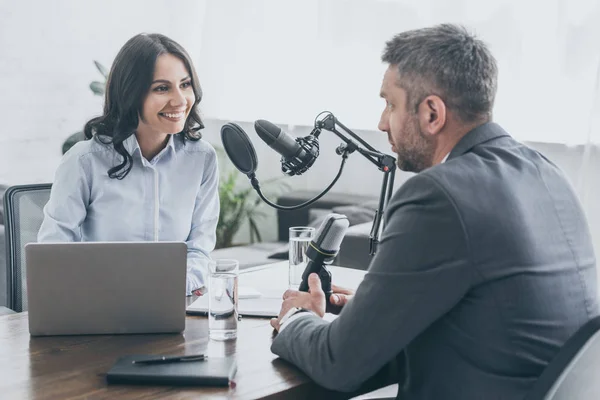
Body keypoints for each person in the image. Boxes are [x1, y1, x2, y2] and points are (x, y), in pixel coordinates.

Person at [269, 24, 599, 399]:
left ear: (431, 113)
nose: (381, 122)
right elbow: (496, 322)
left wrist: (296, 318)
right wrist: (369, 314)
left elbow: (337, 363)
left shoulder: (438, 194)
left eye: (390, 104)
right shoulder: (546, 172)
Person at [37, 33, 219, 297]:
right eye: (162, 88)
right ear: (131, 93)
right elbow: (53, 254)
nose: (180, 100)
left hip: (173, 308)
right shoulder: (84, 161)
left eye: (185, 84)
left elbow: (199, 250)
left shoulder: (201, 158)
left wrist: (173, 286)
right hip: (101, 308)